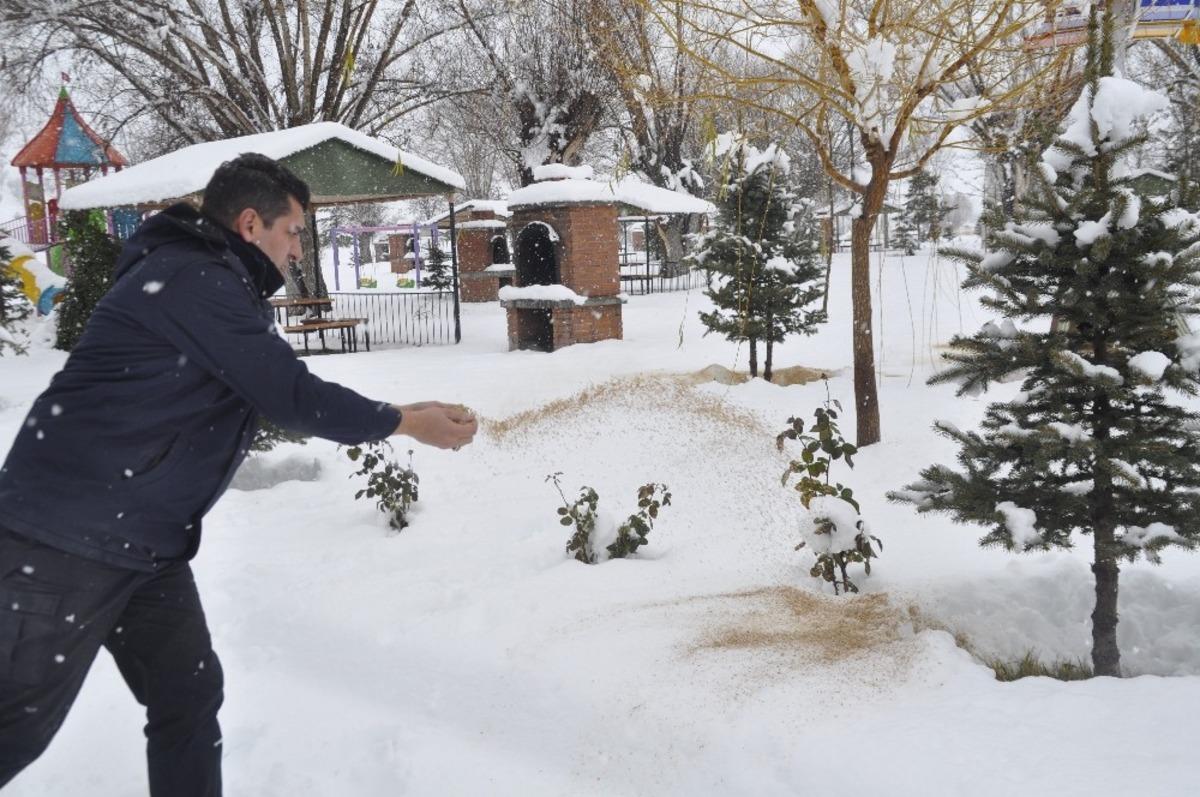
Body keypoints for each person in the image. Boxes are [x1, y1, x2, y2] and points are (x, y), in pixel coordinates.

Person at [0, 153, 477, 795]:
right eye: (293, 232)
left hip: (144, 543)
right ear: (251, 224)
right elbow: (291, 394)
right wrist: (406, 423)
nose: (298, 249)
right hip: (62, 537)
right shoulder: (192, 277)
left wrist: (399, 412)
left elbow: (271, 391)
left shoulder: (211, 280)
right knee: (14, 726)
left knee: (188, 694)